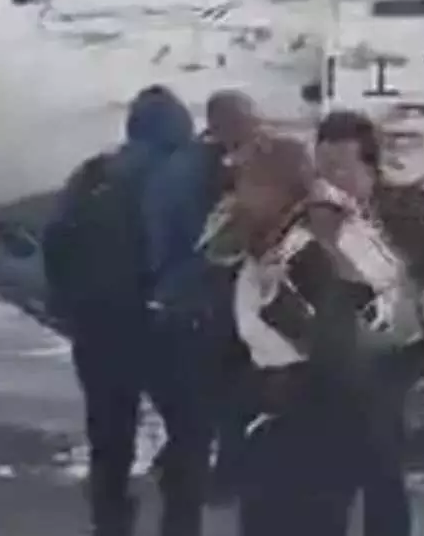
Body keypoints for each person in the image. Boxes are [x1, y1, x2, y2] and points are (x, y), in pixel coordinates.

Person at [42, 85, 213, 536]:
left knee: (110, 438)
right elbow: (195, 246)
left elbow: (55, 239)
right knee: (191, 432)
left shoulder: (93, 173)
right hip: (160, 328)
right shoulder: (181, 171)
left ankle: (111, 523)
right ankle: (180, 524)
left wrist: (67, 305)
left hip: (97, 329)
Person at [231, 136, 372, 536]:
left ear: (278, 189)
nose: (239, 195)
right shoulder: (271, 241)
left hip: (310, 419)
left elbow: (333, 339)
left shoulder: (309, 250)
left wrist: (279, 305)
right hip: (289, 412)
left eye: (248, 184)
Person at [311, 110, 424, 536]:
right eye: (321, 168)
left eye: (341, 168)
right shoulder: (311, 214)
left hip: (382, 364)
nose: (329, 180)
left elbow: (401, 289)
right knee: (328, 483)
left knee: (381, 475)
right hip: (325, 367)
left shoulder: (403, 214)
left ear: (370, 168)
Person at [142, 89, 263, 500]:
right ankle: (218, 474)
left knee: (199, 392)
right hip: (212, 298)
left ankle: (183, 462)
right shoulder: (220, 173)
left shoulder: (177, 169)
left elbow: (159, 237)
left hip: (188, 297)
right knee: (228, 391)